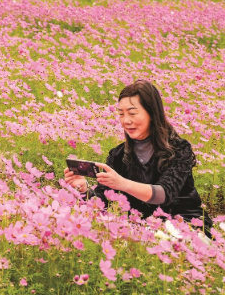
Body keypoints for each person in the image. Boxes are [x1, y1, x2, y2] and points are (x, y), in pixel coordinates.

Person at [64, 80, 211, 233]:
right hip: (144, 228)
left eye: (132, 113)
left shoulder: (179, 149)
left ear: (152, 114)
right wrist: (83, 189)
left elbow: (164, 193)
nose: (126, 120)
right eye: (121, 114)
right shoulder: (118, 155)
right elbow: (104, 200)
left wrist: (122, 183)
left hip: (186, 225)